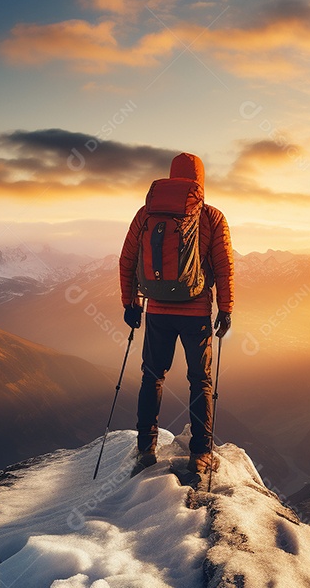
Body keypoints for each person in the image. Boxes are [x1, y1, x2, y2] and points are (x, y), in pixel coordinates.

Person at [119, 152, 234, 474]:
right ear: (200, 181)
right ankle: (200, 454)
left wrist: (130, 304)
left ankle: (145, 447)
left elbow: (127, 261)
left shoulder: (147, 213)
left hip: (156, 310)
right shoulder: (212, 217)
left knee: (152, 377)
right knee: (201, 382)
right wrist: (225, 309)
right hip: (196, 312)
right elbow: (224, 268)